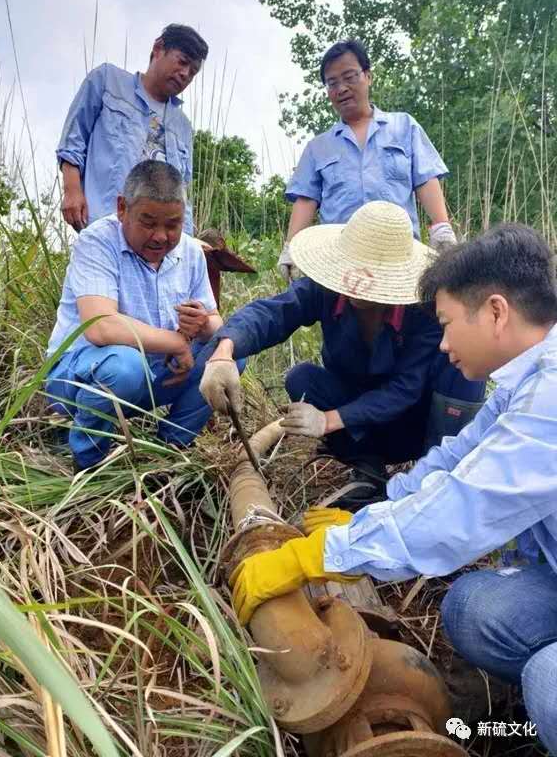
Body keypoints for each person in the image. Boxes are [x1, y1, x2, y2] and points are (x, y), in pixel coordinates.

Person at [230, 223, 557, 756]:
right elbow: (456, 459)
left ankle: (535, 717)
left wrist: (321, 554)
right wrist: (379, 508)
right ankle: (525, 725)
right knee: (472, 606)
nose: (444, 341)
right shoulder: (525, 380)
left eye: (449, 323)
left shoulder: (550, 398)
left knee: (549, 678)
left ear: (496, 312)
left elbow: (461, 508)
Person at [200, 201, 484, 501]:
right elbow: (272, 314)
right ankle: (367, 469)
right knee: (302, 379)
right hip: (358, 421)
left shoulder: (423, 311)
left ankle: (434, 483)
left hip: (410, 423)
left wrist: (329, 420)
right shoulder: (324, 290)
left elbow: (404, 390)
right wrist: (224, 351)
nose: (358, 287)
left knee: (460, 368)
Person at [45, 160, 229, 470]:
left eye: (173, 224)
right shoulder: (97, 242)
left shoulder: (190, 253)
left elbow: (216, 322)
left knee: (229, 353)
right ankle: (87, 463)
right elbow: (100, 327)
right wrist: (177, 342)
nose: (161, 236)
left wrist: (204, 325)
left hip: (152, 375)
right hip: (80, 377)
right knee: (125, 368)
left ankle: (170, 449)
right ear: (122, 208)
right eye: (148, 222)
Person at [278, 38, 456, 281]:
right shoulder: (317, 147)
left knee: (405, 318)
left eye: (350, 77)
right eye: (332, 83)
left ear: (368, 76)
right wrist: (291, 247)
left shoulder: (404, 127)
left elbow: (425, 179)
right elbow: (306, 199)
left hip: (400, 259)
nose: (341, 88)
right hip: (340, 264)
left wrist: (441, 227)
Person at [57, 23, 208, 235]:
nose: (185, 74)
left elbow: (182, 189)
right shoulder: (107, 81)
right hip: (106, 225)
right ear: (158, 48)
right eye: (182, 62)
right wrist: (72, 191)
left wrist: (189, 242)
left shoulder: (182, 125)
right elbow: (73, 141)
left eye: (192, 72)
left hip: (160, 243)